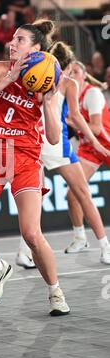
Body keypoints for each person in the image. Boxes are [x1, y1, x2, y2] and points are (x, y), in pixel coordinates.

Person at [0, 19, 70, 316]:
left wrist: (47, 104)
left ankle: (55, 292)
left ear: (35, 48)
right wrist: (9, 78)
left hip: (25, 157)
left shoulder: (48, 80)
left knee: (32, 234)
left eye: (20, 40)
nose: (12, 43)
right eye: (12, 39)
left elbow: (55, 137)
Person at [16, 43, 110, 269]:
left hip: (34, 142)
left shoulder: (33, 76)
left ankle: (23, 252)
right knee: (83, 195)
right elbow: (76, 117)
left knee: (33, 201)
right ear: (66, 66)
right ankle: (105, 247)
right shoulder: (68, 83)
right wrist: (97, 143)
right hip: (56, 143)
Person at [65, 61, 110, 254]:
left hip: (105, 143)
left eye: (76, 71)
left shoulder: (92, 94)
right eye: (69, 72)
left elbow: (96, 128)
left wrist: (70, 121)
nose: (72, 74)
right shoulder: (69, 98)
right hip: (89, 148)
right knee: (72, 194)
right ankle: (80, 237)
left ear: (84, 75)